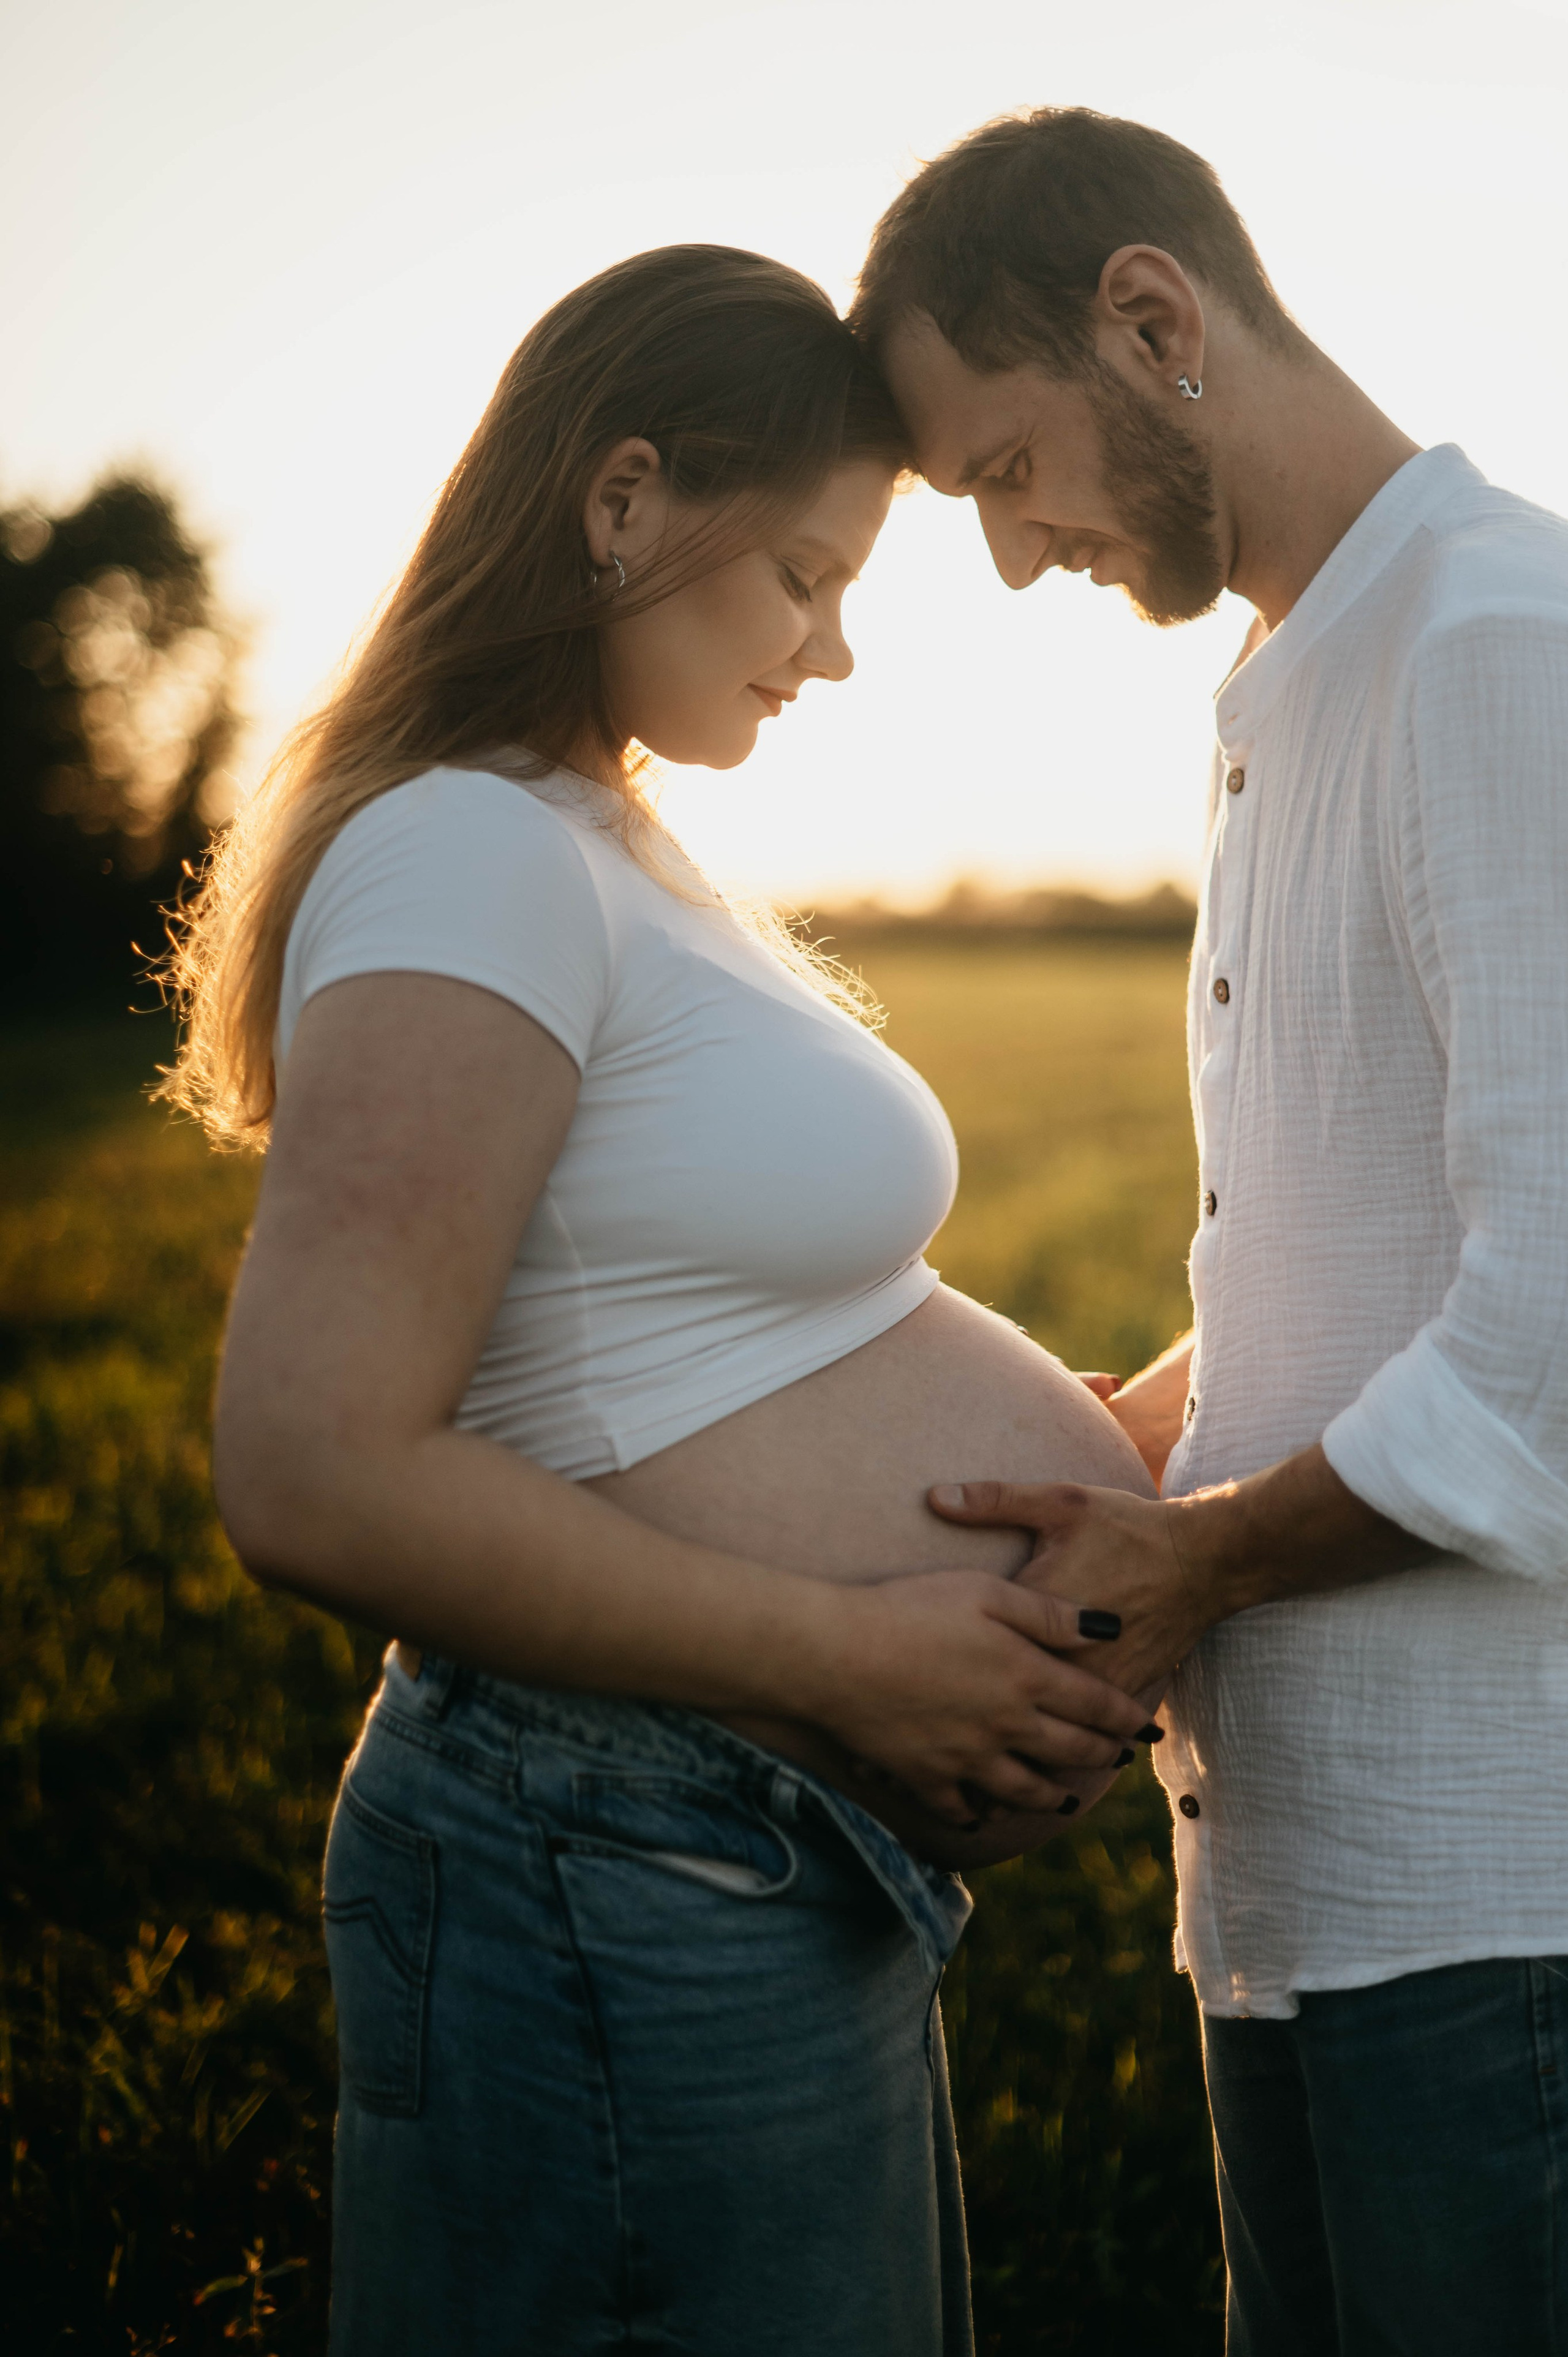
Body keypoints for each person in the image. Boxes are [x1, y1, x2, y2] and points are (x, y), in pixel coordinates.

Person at [161, 243, 1158, 2357]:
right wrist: (849, 1653)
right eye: (804, 577)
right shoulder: (471, 852)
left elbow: (671, 1306)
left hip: (702, 1849)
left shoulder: (592, 836)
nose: (837, 652)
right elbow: (313, 1472)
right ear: (622, 502)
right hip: (610, 1856)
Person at [853, 105, 1568, 2355]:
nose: (1004, 551)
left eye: (999, 467)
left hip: (1500, 1894)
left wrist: (1208, 1558)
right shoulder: (1298, 674)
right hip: (1296, 1871)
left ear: (1151, 320)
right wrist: (1142, 1432)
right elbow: (1340, 1234)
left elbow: (1553, 1312)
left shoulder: (1492, 641)